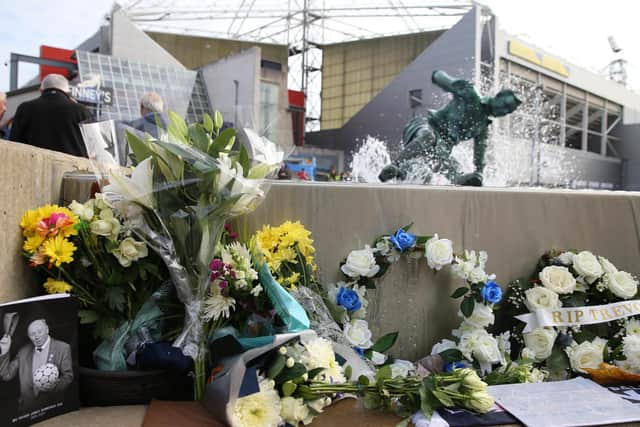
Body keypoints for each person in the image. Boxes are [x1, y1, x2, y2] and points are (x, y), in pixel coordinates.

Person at [379, 70, 521, 186]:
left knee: (454, 171)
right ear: (498, 96)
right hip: (426, 126)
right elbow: (442, 78)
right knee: (428, 137)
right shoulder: (469, 94)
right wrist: (439, 76)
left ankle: (404, 172)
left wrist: (479, 174)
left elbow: (480, 155)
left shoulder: (483, 127)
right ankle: (394, 166)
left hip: (442, 147)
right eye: (506, 105)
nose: (504, 111)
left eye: (508, 111)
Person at [9, 74, 92, 157]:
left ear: (41, 90)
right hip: (72, 168)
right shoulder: (81, 110)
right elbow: (93, 146)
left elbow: (14, 143)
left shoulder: (24, 108)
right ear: (68, 92)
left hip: (33, 165)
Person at [0, 319, 73, 412]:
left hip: (52, 408)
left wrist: (54, 386)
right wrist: (4, 351)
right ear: (29, 336)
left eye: (39, 331)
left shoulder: (63, 348)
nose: (36, 336)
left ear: (47, 329)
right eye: (32, 334)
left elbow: (68, 377)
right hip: (26, 410)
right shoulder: (23, 351)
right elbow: (6, 375)